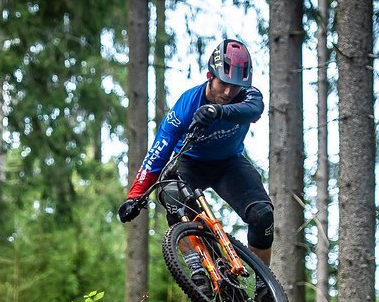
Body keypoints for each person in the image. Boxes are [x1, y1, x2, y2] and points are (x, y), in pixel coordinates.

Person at [117, 38, 273, 266]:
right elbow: (158, 153)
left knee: (262, 215)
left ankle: (264, 288)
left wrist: (216, 111)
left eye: (236, 85)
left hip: (230, 164)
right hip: (191, 165)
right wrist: (134, 196)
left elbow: (254, 110)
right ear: (210, 76)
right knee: (170, 193)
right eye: (223, 83)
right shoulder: (186, 106)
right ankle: (196, 265)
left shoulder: (248, 96)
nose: (229, 91)